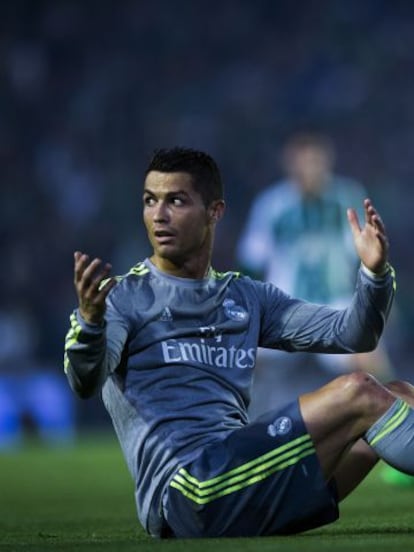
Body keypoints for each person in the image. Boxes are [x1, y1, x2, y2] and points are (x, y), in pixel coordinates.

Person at [64, 147, 413, 539]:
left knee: (398, 393)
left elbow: (354, 335)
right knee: (359, 390)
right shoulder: (123, 299)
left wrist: (374, 273)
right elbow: (85, 381)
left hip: (239, 479)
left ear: (215, 212)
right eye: (150, 201)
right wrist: (91, 324)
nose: (159, 215)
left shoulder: (246, 297)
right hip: (187, 491)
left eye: (175, 200)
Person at [237, 131, 395, 419]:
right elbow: (251, 260)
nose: (309, 169)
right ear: (289, 164)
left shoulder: (347, 197)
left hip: (334, 305)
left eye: (314, 162)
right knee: (238, 359)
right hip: (283, 307)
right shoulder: (272, 204)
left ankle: (392, 441)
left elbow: (364, 256)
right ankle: (234, 436)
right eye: (302, 162)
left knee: (375, 367)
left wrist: (374, 304)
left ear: (327, 162)